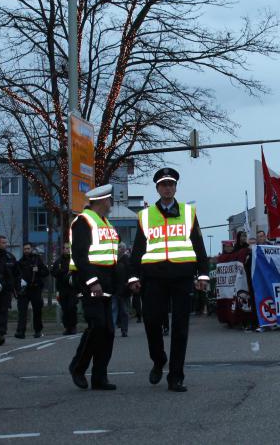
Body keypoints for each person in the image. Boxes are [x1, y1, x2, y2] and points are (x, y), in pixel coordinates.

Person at [128, 167, 210, 393]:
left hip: (182, 277)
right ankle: (158, 359)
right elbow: (137, 250)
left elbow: (198, 246)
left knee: (180, 328)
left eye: (171, 184)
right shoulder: (145, 216)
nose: (167, 188)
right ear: (157, 188)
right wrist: (133, 277)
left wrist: (202, 275)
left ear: (175, 187)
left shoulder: (188, 212)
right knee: (152, 322)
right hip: (154, 278)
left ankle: (176, 377)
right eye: (163, 184)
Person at [69, 184, 120, 391]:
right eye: (110, 200)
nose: (111, 204)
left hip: (106, 282)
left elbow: (112, 257)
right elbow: (80, 256)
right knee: (97, 325)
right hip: (90, 281)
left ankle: (100, 377)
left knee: (107, 331)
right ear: (102, 201)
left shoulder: (105, 223)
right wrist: (93, 282)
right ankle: (78, 367)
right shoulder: (83, 222)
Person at [14, 243, 49, 339]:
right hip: (24, 290)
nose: (26, 250)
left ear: (31, 249)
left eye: (28, 248)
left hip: (35, 289)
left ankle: (38, 330)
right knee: (22, 311)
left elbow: (46, 272)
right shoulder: (20, 262)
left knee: (37, 310)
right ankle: (21, 331)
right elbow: (17, 276)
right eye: (25, 249)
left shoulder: (37, 260)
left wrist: (38, 270)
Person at [53, 243, 78, 335]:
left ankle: (73, 326)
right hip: (62, 289)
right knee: (65, 309)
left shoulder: (74, 260)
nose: (66, 250)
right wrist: (64, 272)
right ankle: (67, 327)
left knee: (72, 307)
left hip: (72, 289)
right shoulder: (58, 261)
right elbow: (54, 272)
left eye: (68, 248)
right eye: (65, 248)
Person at [113, 242, 131, 337]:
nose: (119, 249)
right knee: (113, 309)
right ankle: (111, 330)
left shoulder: (127, 260)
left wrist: (128, 284)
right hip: (114, 289)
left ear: (124, 249)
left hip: (124, 290)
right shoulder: (114, 260)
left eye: (120, 247)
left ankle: (124, 330)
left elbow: (130, 273)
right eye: (118, 247)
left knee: (124, 311)